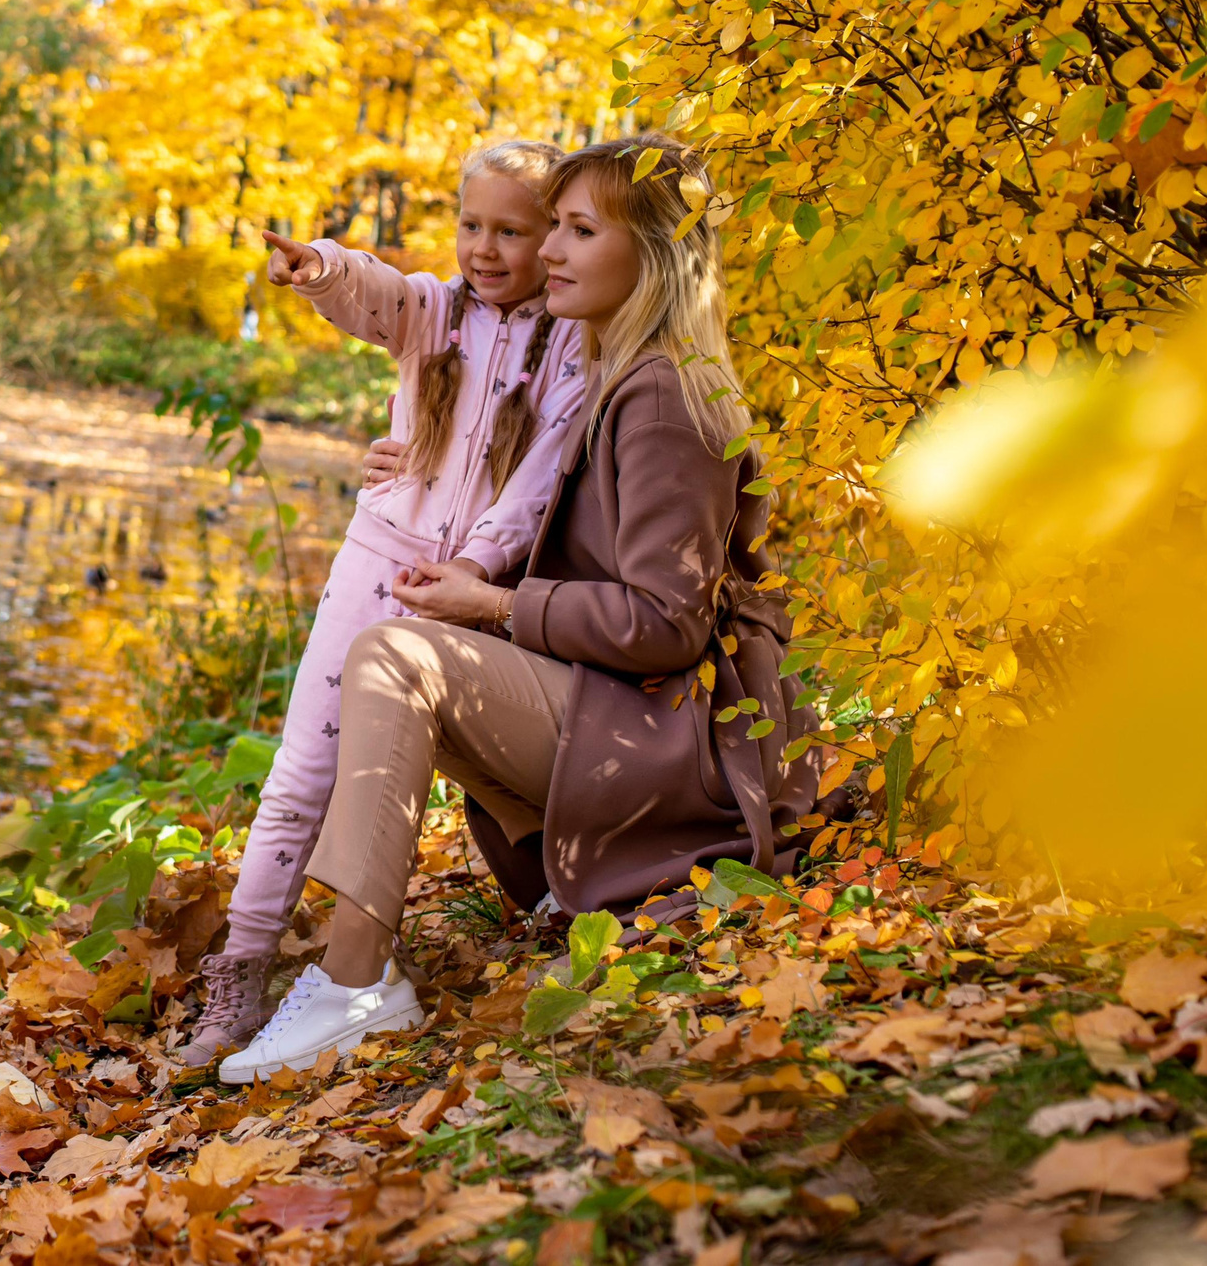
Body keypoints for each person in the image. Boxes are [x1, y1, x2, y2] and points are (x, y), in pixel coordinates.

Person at [216, 133, 818, 1083]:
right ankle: (555, 878)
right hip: (630, 719)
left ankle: (353, 984)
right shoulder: (618, 370)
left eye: (577, 231)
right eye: (557, 227)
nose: (547, 251)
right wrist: (409, 459)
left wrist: (494, 604)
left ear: (652, 255)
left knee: (399, 655)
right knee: (403, 656)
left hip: (679, 744)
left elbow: (669, 624)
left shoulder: (666, 399)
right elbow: (452, 366)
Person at [171, 140, 594, 1076]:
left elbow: (536, 481)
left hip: (464, 588)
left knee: (402, 764)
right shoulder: (435, 312)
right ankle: (243, 969)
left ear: (551, 238)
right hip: (377, 559)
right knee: (303, 770)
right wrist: (319, 267)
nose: (485, 248)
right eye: (471, 225)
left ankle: (394, 948)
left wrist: (472, 574)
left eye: (511, 231)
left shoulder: (574, 345)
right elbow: (375, 290)